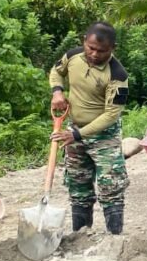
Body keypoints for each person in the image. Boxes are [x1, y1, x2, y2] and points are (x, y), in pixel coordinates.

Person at [49, 22, 129, 234]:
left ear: (113, 48)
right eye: (90, 48)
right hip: (73, 130)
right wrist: (57, 92)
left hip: (104, 137)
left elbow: (112, 115)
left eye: (101, 51)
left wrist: (77, 134)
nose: (94, 54)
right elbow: (56, 72)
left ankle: (114, 239)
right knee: (78, 184)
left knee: (111, 186)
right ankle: (80, 237)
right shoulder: (73, 56)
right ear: (84, 41)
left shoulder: (117, 75)